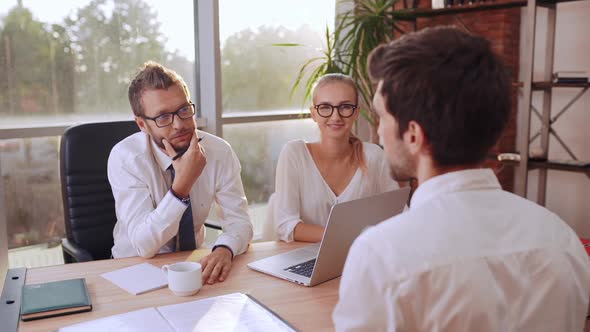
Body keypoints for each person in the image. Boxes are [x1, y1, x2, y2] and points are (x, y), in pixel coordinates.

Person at [333, 26, 590, 331]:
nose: (378, 132)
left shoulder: (383, 255)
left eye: (383, 117)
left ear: (413, 135)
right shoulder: (562, 239)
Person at [108, 62, 253, 285]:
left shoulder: (219, 151)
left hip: (191, 266)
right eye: (163, 117)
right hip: (133, 270)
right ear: (142, 124)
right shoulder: (126, 159)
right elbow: (144, 245)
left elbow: (240, 221)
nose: (179, 124)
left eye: (184, 110)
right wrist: (182, 185)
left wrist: (225, 248)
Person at [266, 73, 399, 243]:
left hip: (361, 257)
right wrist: (347, 238)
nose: (335, 116)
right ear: (314, 113)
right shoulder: (294, 154)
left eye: (344, 107)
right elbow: (286, 226)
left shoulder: (374, 156)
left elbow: (398, 213)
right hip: (305, 260)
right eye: (325, 107)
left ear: (356, 112)